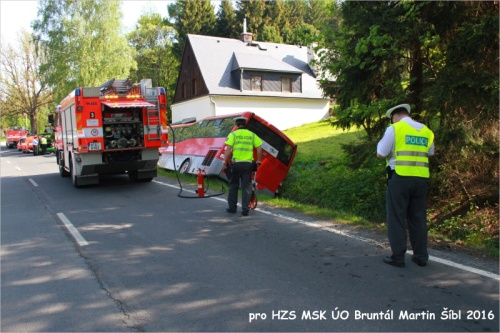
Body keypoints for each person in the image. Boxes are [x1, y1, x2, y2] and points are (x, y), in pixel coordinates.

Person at [377, 104, 435, 268]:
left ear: (395, 117)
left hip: (400, 177)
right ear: (408, 114)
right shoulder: (426, 130)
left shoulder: (395, 129)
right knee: (418, 217)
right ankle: (421, 256)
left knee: (396, 217)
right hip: (421, 178)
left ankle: (398, 257)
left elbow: (381, 152)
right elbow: (430, 152)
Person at [223, 116, 263, 216]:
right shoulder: (252, 135)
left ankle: (232, 208)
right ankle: (245, 209)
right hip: (248, 165)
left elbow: (228, 149)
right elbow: (259, 148)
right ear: (245, 124)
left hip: (236, 165)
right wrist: (258, 160)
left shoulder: (233, 134)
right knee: (246, 187)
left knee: (233, 186)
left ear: (236, 125)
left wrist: (224, 161)